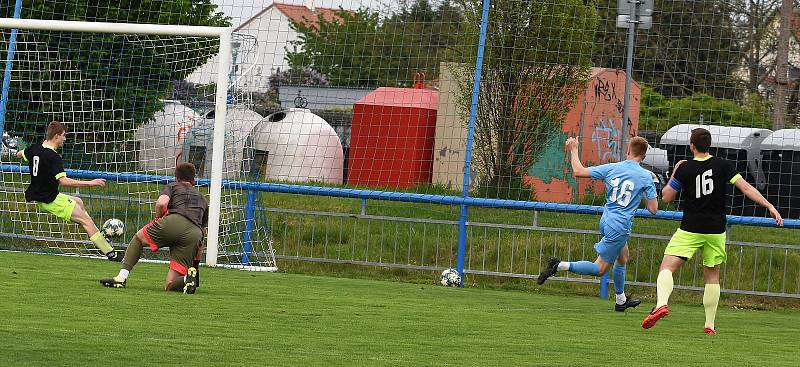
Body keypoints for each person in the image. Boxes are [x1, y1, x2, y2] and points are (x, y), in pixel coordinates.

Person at [642, 128, 783, 334]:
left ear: (691, 146)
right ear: (710, 146)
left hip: (691, 227)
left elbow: (666, 197)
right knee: (712, 276)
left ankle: (662, 303)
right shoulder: (723, 165)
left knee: (667, 268)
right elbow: (746, 187)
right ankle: (709, 324)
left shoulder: (685, 168)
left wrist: (674, 171)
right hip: (716, 229)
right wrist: (769, 206)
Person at [537, 136, 658, 312]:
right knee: (599, 269)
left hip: (606, 220)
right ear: (644, 156)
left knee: (623, 256)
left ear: (627, 151)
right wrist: (644, 194)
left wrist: (573, 149)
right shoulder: (646, 177)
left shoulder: (612, 168)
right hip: (620, 226)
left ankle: (620, 300)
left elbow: (578, 171)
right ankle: (559, 265)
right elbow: (653, 209)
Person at [15, 121, 120, 261]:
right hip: (51, 200)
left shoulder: (35, 148)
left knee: (79, 201)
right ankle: (111, 254)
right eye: (64, 135)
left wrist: (27, 157)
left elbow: (19, 154)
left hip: (43, 196)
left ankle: (98, 235)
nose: (65, 139)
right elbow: (64, 181)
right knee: (86, 222)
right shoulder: (53, 157)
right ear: (57, 136)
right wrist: (91, 183)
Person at [100, 162, 207, 293]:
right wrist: (195, 265)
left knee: (138, 239)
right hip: (194, 234)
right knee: (170, 285)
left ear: (176, 178)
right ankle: (186, 279)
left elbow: (161, 204)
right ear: (194, 181)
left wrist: (157, 219)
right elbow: (202, 236)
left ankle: (121, 277)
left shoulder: (173, 186)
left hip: (173, 222)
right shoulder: (202, 199)